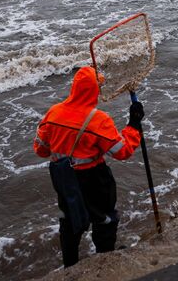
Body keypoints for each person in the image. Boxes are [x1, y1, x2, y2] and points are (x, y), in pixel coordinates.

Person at [34, 66, 143, 268]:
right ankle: (104, 259)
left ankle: (70, 266)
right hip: (94, 179)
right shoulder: (98, 120)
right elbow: (123, 151)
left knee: (69, 220)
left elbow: (40, 150)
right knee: (104, 220)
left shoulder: (53, 113)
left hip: (64, 178)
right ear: (94, 90)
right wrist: (134, 124)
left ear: (74, 87)